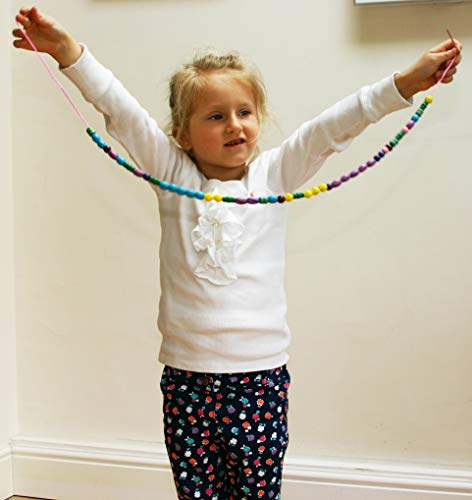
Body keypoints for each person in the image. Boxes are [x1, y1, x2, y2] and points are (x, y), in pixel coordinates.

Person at [12, 6, 462, 499]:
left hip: (259, 379)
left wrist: (404, 83)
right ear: (182, 134)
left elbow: (334, 126)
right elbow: (118, 108)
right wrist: (68, 52)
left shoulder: (276, 174)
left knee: (255, 492)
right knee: (197, 492)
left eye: (245, 113)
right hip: (186, 379)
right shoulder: (171, 173)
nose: (235, 126)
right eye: (216, 116)